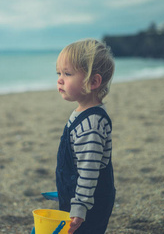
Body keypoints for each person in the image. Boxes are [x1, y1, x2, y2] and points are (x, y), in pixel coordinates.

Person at [55, 39, 116, 234]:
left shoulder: (92, 124)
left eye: (68, 73)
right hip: (77, 196)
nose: (60, 80)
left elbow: (88, 171)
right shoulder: (81, 113)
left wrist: (79, 207)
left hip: (89, 206)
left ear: (93, 82)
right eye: (59, 73)